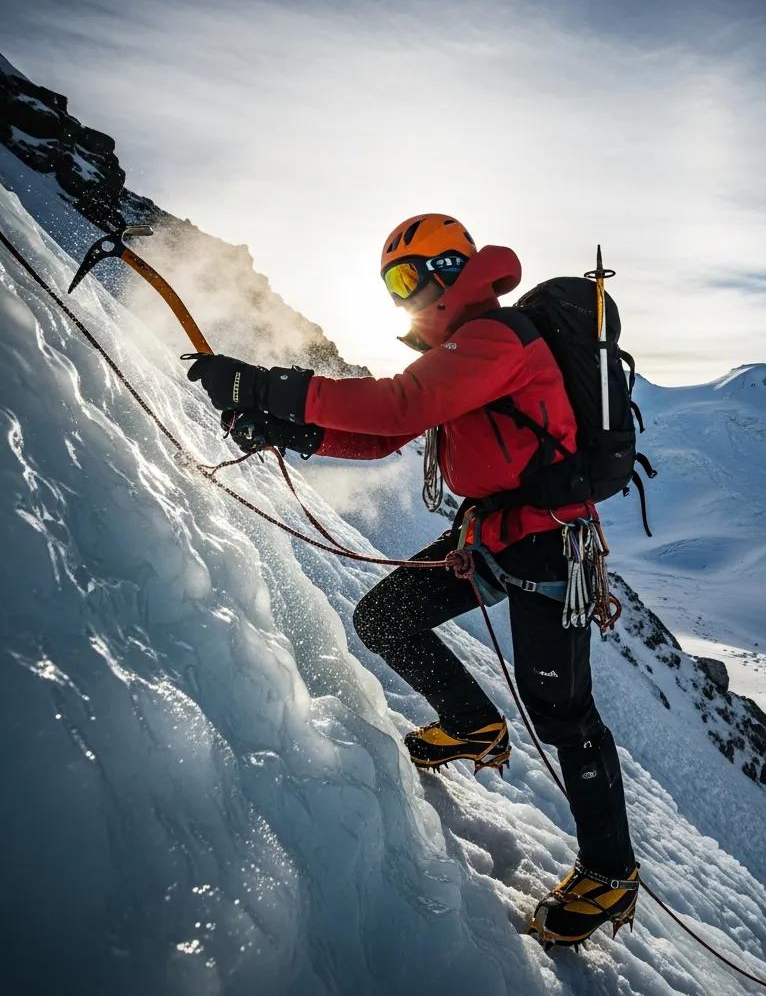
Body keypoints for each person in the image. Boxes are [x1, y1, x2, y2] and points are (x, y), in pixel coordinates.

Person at [184, 214, 638, 947]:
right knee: (385, 619)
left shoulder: (497, 338)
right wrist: (290, 430)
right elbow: (391, 433)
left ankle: (612, 873)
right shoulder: (462, 349)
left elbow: (399, 406)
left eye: (409, 275)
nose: (404, 294)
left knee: (563, 715)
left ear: (454, 268)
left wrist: (268, 388)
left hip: (547, 549)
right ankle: (471, 727)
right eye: (392, 283)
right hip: (492, 533)